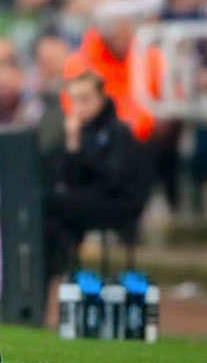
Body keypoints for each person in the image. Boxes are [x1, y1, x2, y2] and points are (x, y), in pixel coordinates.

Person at [46, 71, 146, 277]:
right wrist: (72, 147)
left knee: (54, 205)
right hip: (87, 200)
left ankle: (59, 267)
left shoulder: (118, 131)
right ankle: (60, 268)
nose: (79, 107)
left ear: (101, 98)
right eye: (74, 100)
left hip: (118, 203)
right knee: (48, 205)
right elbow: (68, 180)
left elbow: (114, 178)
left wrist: (81, 151)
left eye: (85, 99)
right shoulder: (76, 132)